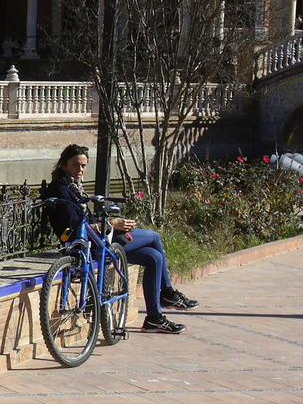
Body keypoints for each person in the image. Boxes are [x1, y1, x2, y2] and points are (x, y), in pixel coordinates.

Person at [40, 143, 198, 335]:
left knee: (154, 258)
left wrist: (110, 224)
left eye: (83, 165)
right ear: (63, 164)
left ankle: (154, 319)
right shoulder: (60, 189)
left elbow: (86, 220)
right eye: (75, 165)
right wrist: (113, 224)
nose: (80, 169)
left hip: (99, 240)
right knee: (154, 237)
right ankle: (168, 294)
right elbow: (76, 229)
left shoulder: (72, 186)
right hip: (89, 246)